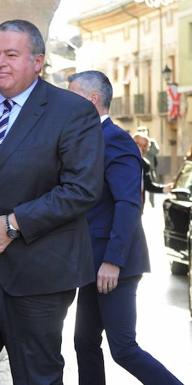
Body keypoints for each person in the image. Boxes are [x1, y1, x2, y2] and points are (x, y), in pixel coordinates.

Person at [0, 19, 104, 385]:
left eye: (12, 54)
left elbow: (82, 188)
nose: (0, 63)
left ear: (38, 61)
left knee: (35, 375)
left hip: (37, 274)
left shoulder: (72, 111)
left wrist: (16, 223)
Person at [68, 71, 183, 385]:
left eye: (72, 95)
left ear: (92, 100)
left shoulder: (115, 140)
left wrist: (112, 260)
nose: (65, 102)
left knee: (124, 348)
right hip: (92, 262)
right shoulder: (88, 138)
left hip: (113, 264)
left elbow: (128, 204)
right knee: (84, 341)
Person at [133, 131, 172, 208]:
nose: (148, 149)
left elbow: (148, 185)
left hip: (138, 206)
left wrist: (164, 189)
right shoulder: (123, 161)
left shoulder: (145, 164)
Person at [136, 126, 160, 206]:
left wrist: (149, 144)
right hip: (140, 166)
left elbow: (156, 151)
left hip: (150, 168)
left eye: (144, 130)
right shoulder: (137, 141)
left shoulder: (151, 142)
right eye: (140, 130)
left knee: (150, 183)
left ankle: (151, 201)